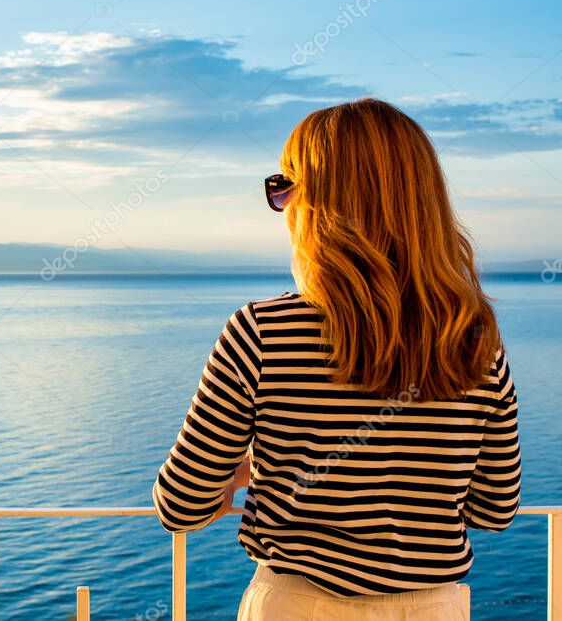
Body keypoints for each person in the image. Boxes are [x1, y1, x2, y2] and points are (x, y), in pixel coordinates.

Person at [152, 98, 521, 620]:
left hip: (296, 606)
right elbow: (494, 508)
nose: (281, 206)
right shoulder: (474, 337)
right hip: (434, 608)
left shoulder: (261, 332)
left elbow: (180, 505)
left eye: (285, 187)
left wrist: (244, 474)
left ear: (317, 204)